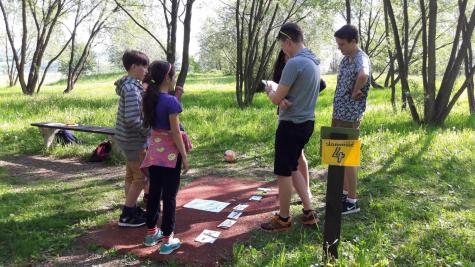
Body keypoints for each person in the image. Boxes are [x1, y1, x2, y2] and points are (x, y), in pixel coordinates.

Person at [260, 22, 321, 231]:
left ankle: (284, 218)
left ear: (288, 41)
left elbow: (277, 98)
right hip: (307, 122)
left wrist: (269, 90)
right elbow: (298, 93)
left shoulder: (294, 63)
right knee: (294, 166)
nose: (283, 50)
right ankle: (308, 210)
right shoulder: (313, 62)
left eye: (283, 45)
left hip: (290, 125)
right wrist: (284, 98)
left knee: (284, 172)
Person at [140, 60, 191, 255]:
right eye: (173, 75)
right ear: (167, 78)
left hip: (154, 154)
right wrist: (184, 157)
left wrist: (175, 98)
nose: (175, 78)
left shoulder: (150, 98)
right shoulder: (170, 102)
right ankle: (168, 239)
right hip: (170, 158)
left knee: (154, 193)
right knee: (169, 197)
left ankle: (151, 233)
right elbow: (176, 133)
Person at [272, 50, 327, 204]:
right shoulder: (287, 68)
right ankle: (304, 201)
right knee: (293, 163)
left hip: (297, 120)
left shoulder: (302, 64)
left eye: (288, 53)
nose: (287, 56)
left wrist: (301, 99)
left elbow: (321, 84)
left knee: (293, 164)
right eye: (284, 55)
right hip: (290, 117)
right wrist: (279, 96)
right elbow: (278, 92)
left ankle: (304, 194)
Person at [332, 24, 371, 215]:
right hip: (339, 115)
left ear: (353, 41)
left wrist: (357, 90)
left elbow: (363, 74)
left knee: (349, 158)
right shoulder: (347, 59)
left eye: (342, 44)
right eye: (338, 44)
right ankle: (345, 193)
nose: (340, 47)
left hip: (350, 116)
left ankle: (353, 201)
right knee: (340, 155)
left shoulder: (360, 58)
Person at [115, 49, 150, 227]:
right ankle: (127, 215)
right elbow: (131, 119)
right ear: (134, 67)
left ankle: (131, 207)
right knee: (141, 178)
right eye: (143, 67)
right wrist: (146, 131)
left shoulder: (130, 85)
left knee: (131, 175)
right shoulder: (130, 89)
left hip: (126, 140)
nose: (146, 70)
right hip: (133, 140)